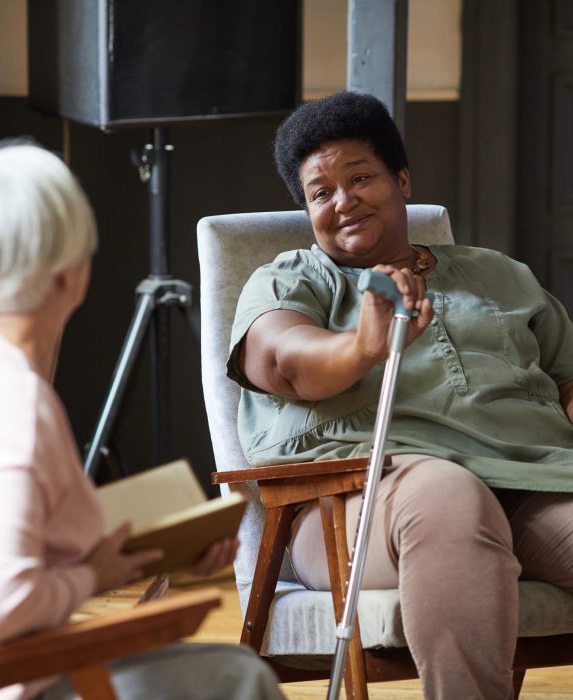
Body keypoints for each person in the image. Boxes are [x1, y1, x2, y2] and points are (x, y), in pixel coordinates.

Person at [226, 91, 573, 699]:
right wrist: (361, 347)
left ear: (402, 180)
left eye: (360, 177)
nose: (343, 201)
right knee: (447, 496)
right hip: (359, 501)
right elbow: (283, 361)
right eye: (320, 192)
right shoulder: (292, 278)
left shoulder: (501, 273)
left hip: (533, 486)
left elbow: (568, 380)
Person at [0, 144, 285, 700]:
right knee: (241, 675)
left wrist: (144, 554)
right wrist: (93, 577)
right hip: (15, 683)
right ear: (70, 275)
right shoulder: (15, 401)